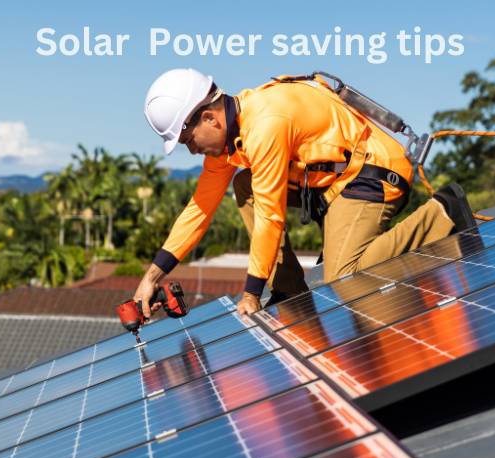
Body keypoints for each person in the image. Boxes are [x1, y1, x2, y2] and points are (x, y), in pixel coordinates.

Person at [133, 68, 475, 317]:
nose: (191, 151)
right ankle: (289, 290)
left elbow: (270, 214)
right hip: (334, 187)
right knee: (244, 183)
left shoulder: (265, 123)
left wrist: (252, 292)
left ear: (210, 118)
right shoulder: (229, 143)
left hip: (372, 173)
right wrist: (152, 278)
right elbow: (199, 209)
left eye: (188, 140)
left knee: (345, 276)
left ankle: (442, 212)